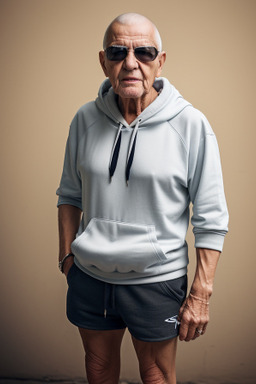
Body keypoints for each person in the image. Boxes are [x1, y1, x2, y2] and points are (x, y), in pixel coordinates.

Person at [56, 13, 229, 384]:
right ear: (104, 62)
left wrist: (201, 293)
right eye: (118, 52)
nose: (131, 63)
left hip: (156, 280)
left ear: (160, 61)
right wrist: (67, 256)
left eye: (144, 52)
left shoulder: (190, 124)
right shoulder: (85, 119)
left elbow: (211, 217)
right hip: (89, 276)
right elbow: (69, 193)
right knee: (98, 370)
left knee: (156, 375)